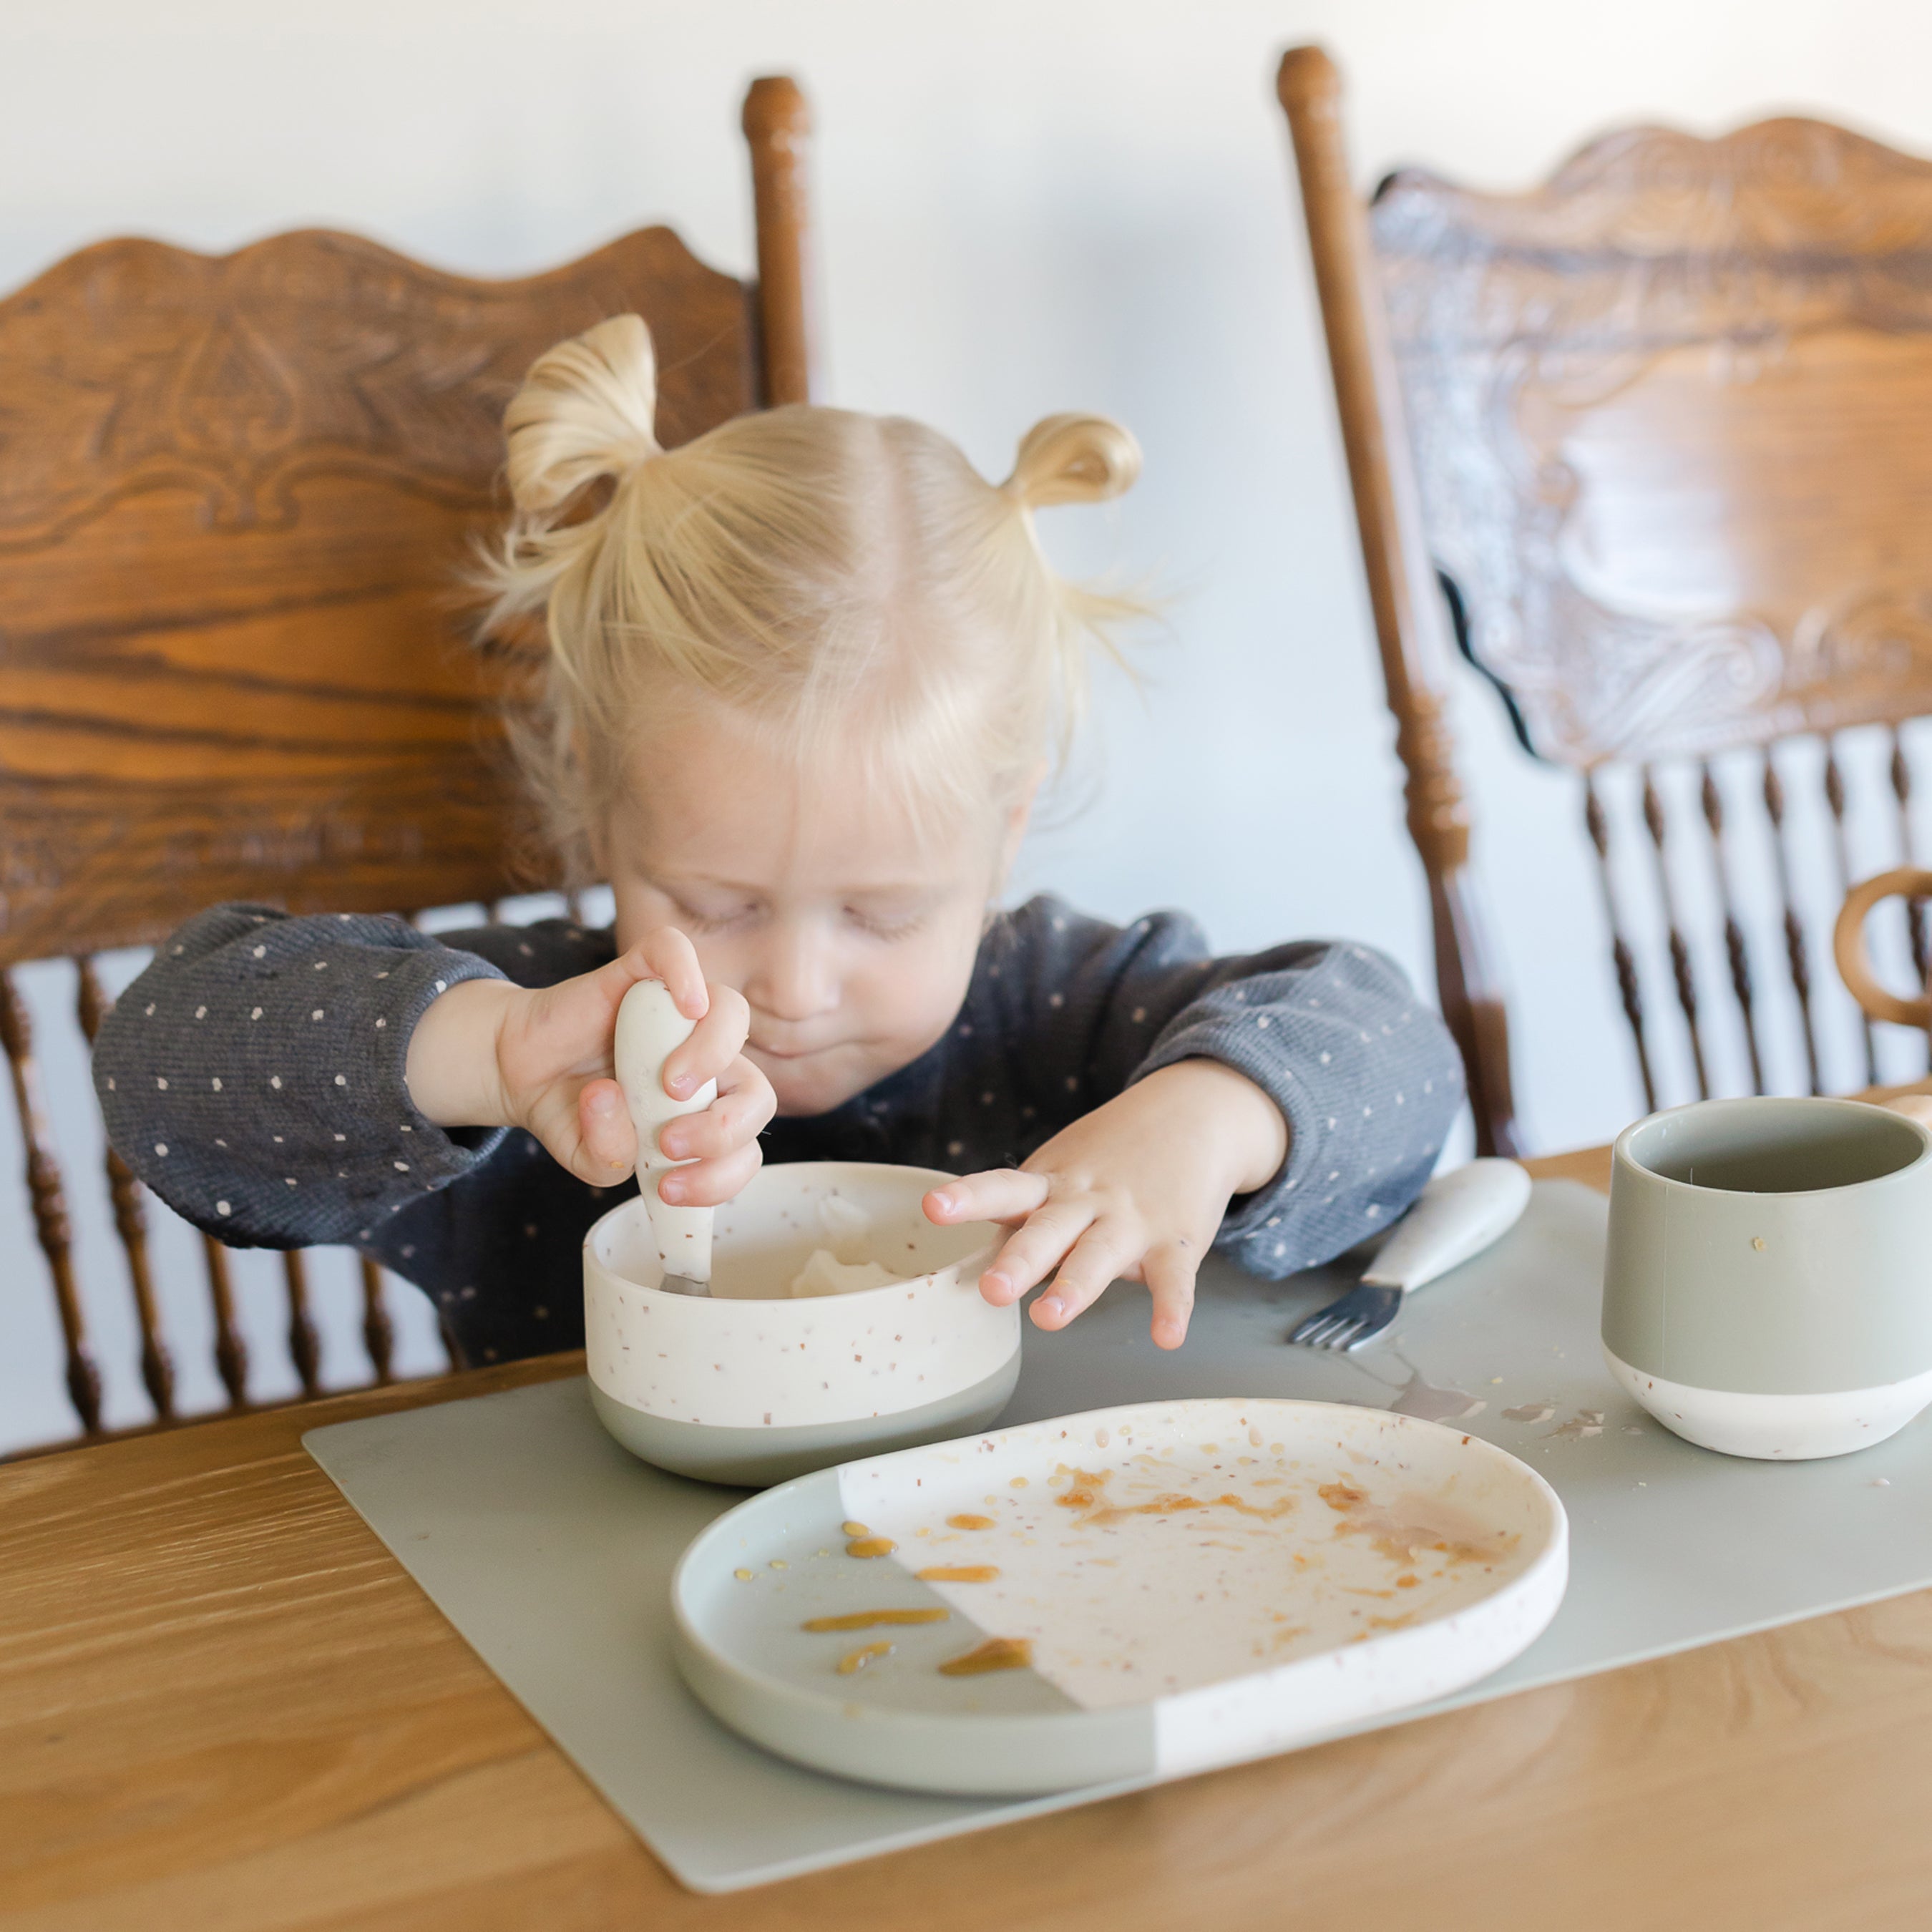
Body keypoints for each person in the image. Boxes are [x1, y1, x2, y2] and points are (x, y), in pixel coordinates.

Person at [94, 315, 1462, 1366]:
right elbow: (161, 1068)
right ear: (606, 818)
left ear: (1004, 833)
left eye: (880, 916)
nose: (793, 989)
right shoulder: (550, 1036)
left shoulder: (1064, 1012)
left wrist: (1217, 1118)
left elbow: (1394, 1052)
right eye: (715, 900)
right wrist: (485, 1060)